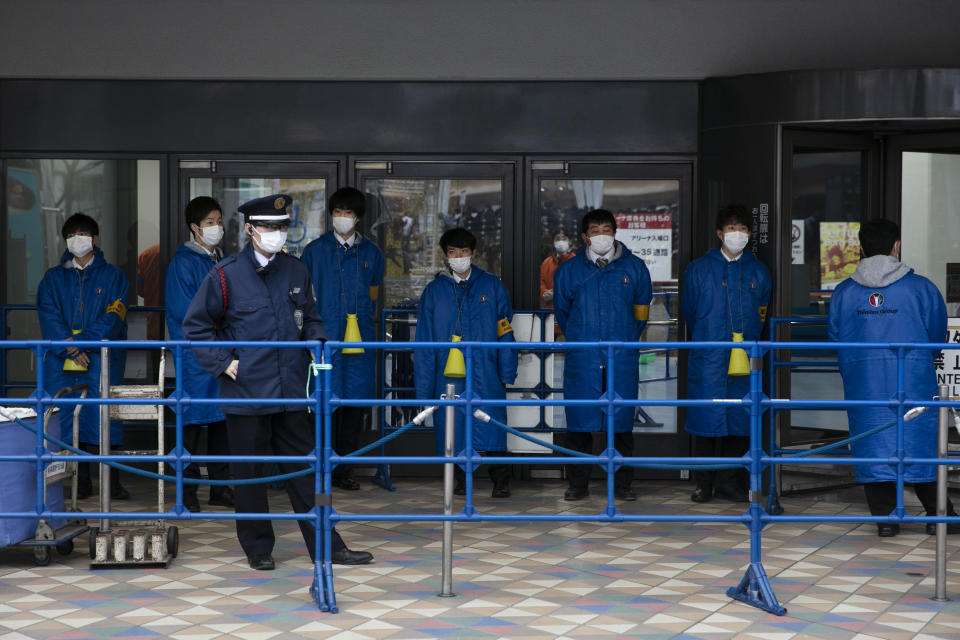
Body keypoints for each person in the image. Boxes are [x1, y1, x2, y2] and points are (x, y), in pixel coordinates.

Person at [183, 194, 373, 569]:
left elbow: (311, 317)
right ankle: (258, 549)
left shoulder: (296, 270)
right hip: (247, 392)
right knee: (250, 476)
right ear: (251, 229)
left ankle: (327, 546)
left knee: (307, 471)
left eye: (282, 227)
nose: (276, 234)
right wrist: (224, 363)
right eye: (269, 227)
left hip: (290, 391)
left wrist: (317, 343)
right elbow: (196, 326)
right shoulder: (225, 274)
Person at [828, 220, 958, 537]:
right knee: (921, 443)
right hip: (913, 379)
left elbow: (834, 338)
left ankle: (886, 520)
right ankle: (938, 515)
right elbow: (937, 335)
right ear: (896, 246)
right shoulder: (922, 289)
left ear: (860, 249)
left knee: (872, 443)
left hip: (864, 384)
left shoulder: (844, 293)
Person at [554, 209, 652, 501]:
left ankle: (623, 485)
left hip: (620, 357)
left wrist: (624, 338)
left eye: (606, 229)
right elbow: (563, 312)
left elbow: (641, 314)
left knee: (620, 423)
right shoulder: (569, 271)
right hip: (583, 358)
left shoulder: (634, 268)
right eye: (595, 231)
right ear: (585, 237)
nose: (601, 235)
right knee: (580, 423)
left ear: (615, 232)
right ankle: (578, 484)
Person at [414, 227, 518, 498]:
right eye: (452, 252)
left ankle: (501, 481)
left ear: (473, 253)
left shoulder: (492, 285)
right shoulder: (434, 291)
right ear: (445, 256)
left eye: (463, 251)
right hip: (447, 372)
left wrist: (507, 370)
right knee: (453, 426)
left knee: (492, 425)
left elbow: (506, 331)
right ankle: (458, 480)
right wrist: (423, 389)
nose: (458, 257)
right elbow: (424, 341)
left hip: (487, 368)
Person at [36, 212, 131, 500]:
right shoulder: (52, 278)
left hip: (99, 357)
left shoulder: (114, 276)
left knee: (103, 416)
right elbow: (48, 314)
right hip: (62, 360)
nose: (77, 239)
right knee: (68, 418)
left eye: (83, 234)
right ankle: (82, 480)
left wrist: (81, 344)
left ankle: (111, 482)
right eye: (71, 235)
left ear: (95, 238)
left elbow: (115, 316)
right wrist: (70, 346)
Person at [681, 205, 771, 503]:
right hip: (709, 356)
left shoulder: (758, 270)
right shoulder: (698, 269)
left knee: (740, 421)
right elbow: (690, 314)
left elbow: (762, 313)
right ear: (720, 233)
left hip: (745, 358)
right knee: (706, 422)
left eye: (744, 229)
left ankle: (732, 483)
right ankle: (703, 484)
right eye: (732, 229)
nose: (738, 234)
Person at [301, 187, 385, 491]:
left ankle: (344, 470)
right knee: (322, 405)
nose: (342, 218)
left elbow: (373, 294)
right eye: (337, 213)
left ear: (358, 218)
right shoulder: (314, 251)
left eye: (348, 213)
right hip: (323, 340)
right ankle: (319, 467)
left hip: (359, 343)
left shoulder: (372, 253)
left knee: (353, 407)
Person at [164, 196, 235, 511]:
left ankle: (220, 487)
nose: (216, 228)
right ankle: (187, 491)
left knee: (222, 421)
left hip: (221, 350)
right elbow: (185, 312)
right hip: (194, 354)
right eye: (209, 223)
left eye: (218, 221)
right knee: (189, 423)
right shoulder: (183, 263)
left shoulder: (221, 258)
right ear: (194, 227)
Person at [539, 232, 575, 309]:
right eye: (557, 239)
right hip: (550, 311)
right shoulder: (546, 263)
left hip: (571, 310)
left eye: (564, 239)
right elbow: (540, 282)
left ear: (570, 242)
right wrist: (543, 293)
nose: (561, 242)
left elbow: (579, 285)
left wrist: (556, 294)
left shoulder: (577, 262)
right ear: (553, 243)